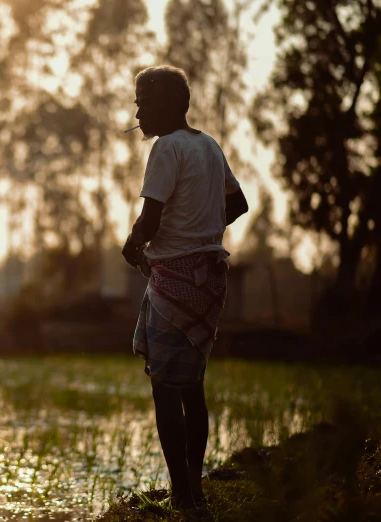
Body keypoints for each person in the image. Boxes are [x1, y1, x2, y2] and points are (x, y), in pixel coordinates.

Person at [121, 65, 249, 509]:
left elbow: (150, 219)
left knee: (165, 388)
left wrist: (134, 243)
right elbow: (238, 204)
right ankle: (192, 488)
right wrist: (202, 231)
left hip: (175, 279)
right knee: (192, 387)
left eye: (145, 100)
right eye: (137, 102)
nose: (138, 110)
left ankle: (183, 496)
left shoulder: (166, 149)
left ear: (172, 104)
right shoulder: (209, 146)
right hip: (210, 279)